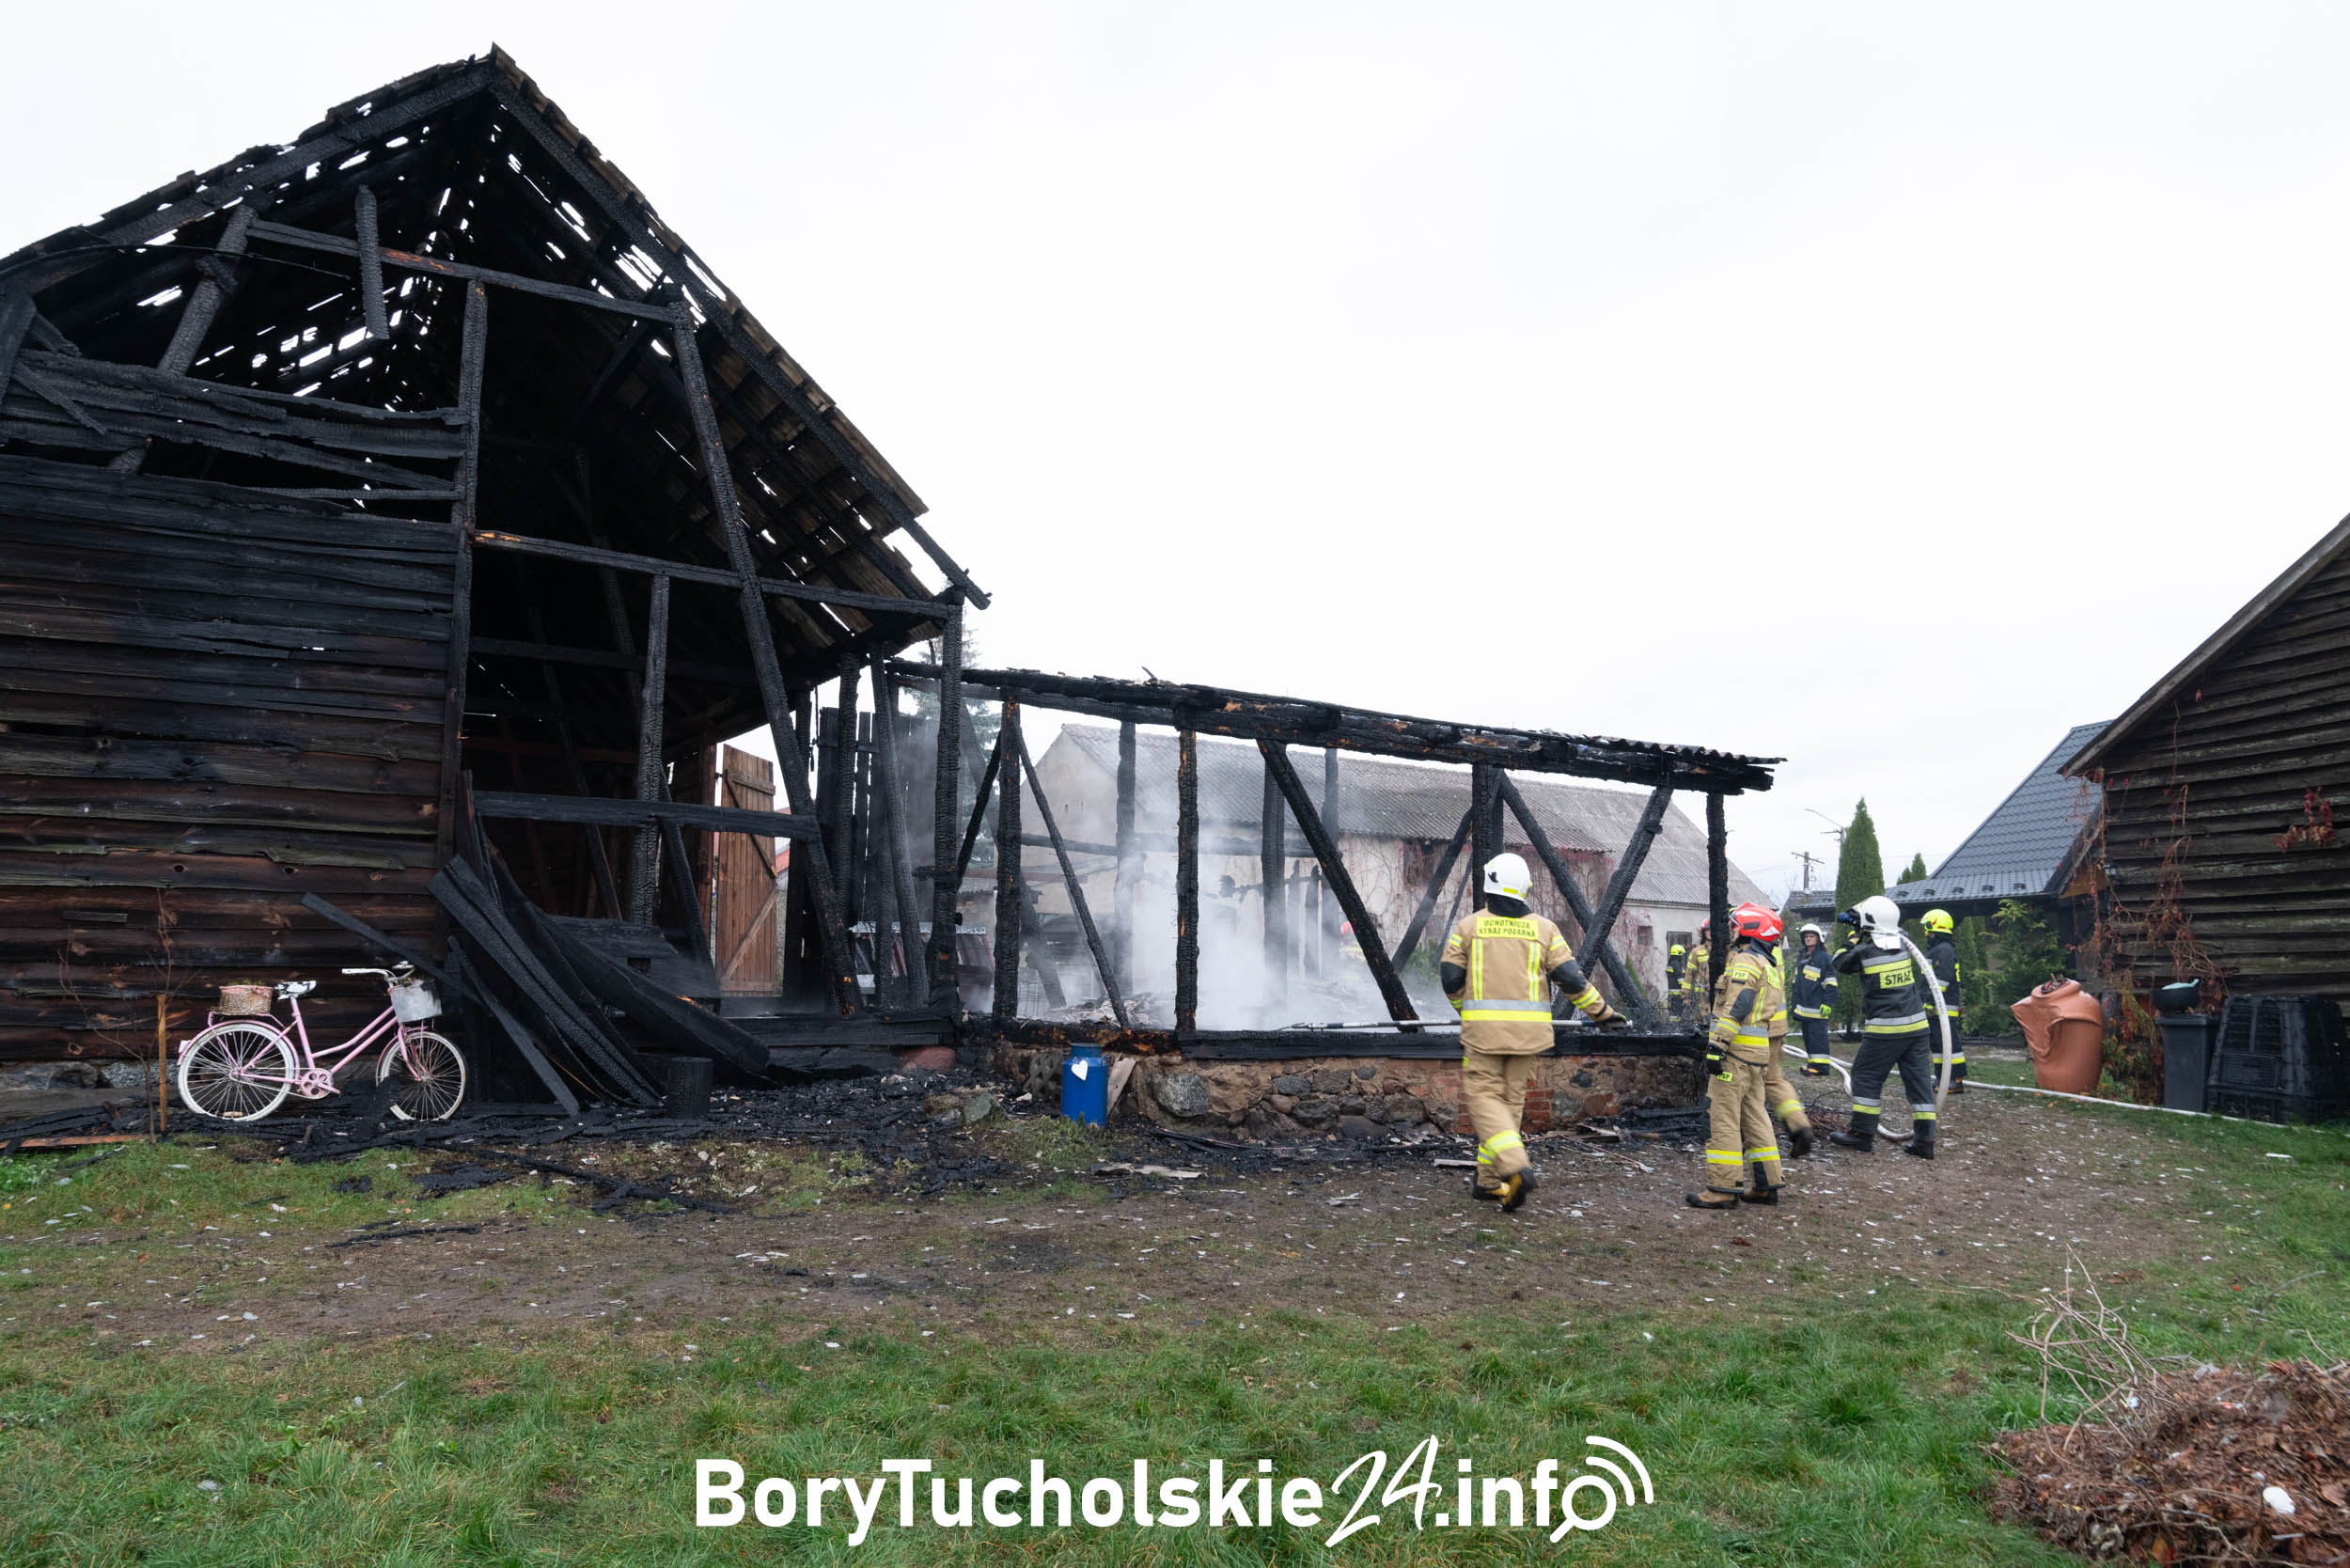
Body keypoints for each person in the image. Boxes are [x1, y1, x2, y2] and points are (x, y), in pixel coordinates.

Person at [1442, 852, 1627, 1210]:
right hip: (1529, 1037)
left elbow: (1450, 978)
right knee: (1510, 1104)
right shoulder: (1545, 930)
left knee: (1484, 1101)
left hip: (1484, 1037)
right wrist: (1603, 1013)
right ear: (1524, 889)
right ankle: (1489, 1181)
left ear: (1489, 887)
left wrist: (1467, 1011)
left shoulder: (1470, 927)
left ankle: (1515, 1167)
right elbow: (1571, 979)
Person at [1686, 901, 1791, 1209]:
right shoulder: (1769, 966)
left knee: (1721, 1118)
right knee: (1756, 1117)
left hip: (1736, 1053)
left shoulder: (1746, 961)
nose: (1731, 930)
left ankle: (1722, 1188)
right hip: (1758, 1055)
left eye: (1736, 925)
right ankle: (1765, 1184)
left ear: (1751, 929)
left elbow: (1739, 1006)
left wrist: (1718, 1045)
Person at [1826, 895, 1935, 1159]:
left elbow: (1839, 962)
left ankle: (1861, 1134)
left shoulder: (1864, 952)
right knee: (1920, 1084)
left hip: (1887, 1029)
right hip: (1917, 1027)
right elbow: (1891, 931)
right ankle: (1925, 1142)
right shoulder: (1903, 945)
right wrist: (1867, 925)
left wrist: (1854, 936)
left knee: (1865, 1077)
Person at [1760, 938, 1814, 1158]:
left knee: (1744, 1084)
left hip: (1755, 1028)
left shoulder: (1745, 951)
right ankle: (1799, 1125)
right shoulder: (1772, 947)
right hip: (1777, 1026)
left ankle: (1749, 1138)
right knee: (1773, 1081)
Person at [1921, 909, 1966, 1093]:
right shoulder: (1939, 949)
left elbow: (1942, 978)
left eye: (1928, 929)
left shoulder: (1943, 950)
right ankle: (1943, 1078)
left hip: (1943, 1005)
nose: (1927, 933)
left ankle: (1954, 1079)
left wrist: (1931, 1000)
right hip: (1937, 1006)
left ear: (1936, 927)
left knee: (1949, 1043)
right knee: (1939, 1044)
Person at [1789, 923, 1840, 1076]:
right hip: (1804, 1007)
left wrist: (1827, 1003)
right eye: (1806, 936)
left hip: (1817, 1007)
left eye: (1811, 936)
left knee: (1818, 1039)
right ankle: (1813, 1064)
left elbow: (1830, 982)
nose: (1808, 938)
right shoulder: (1802, 955)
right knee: (1809, 1039)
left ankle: (1822, 1068)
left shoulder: (1824, 958)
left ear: (1818, 939)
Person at [1665, 943, 1688, 1021]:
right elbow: (1680, 979)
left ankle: (1673, 1027)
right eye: (1681, 953)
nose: (1682, 956)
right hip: (1677, 993)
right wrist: (1687, 987)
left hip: (1672, 993)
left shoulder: (1671, 963)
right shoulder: (1676, 964)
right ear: (1678, 953)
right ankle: (1677, 1028)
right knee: (1678, 1013)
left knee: (1673, 1013)